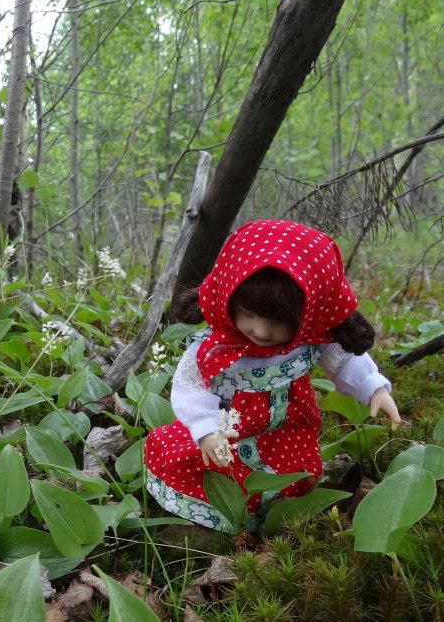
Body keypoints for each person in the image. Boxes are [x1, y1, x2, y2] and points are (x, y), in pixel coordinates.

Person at [144, 219, 400, 532]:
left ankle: (280, 516)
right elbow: (192, 385)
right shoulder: (217, 347)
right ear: (227, 296)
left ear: (310, 312)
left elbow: (343, 359)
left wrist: (373, 388)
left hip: (288, 437)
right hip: (231, 434)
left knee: (291, 475)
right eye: (248, 314)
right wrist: (205, 426)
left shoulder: (311, 338)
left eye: (279, 321)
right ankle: (222, 522)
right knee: (221, 474)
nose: (262, 331)